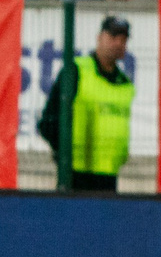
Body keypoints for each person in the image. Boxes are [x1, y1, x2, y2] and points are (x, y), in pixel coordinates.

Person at [37, 16, 137, 192]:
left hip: (109, 174)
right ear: (99, 37)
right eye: (113, 37)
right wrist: (64, 154)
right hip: (75, 173)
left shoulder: (125, 84)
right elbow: (48, 120)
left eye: (123, 39)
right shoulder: (76, 70)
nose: (118, 43)